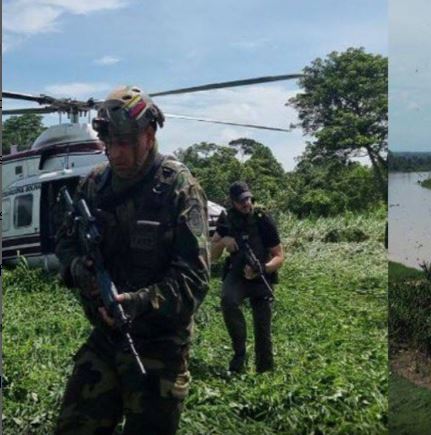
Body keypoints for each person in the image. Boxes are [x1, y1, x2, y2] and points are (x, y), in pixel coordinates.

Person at [54, 85, 210, 435]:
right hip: (107, 338)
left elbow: (194, 281)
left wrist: (138, 302)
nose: (117, 154)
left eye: (125, 143)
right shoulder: (94, 185)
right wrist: (79, 269)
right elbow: (64, 242)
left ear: (150, 135)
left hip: (159, 344)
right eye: (110, 144)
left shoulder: (177, 188)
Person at [210, 181, 284, 373]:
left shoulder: (262, 219)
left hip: (261, 275)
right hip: (237, 273)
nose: (246, 204)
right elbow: (212, 255)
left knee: (263, 328)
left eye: (248, 199)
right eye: (241, 201)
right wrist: (224, 241)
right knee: (228, 301)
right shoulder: (226, 219)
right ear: (233, 202)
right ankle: (239, 355)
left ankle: (265, 369)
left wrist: (262, 269)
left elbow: (279, 256)